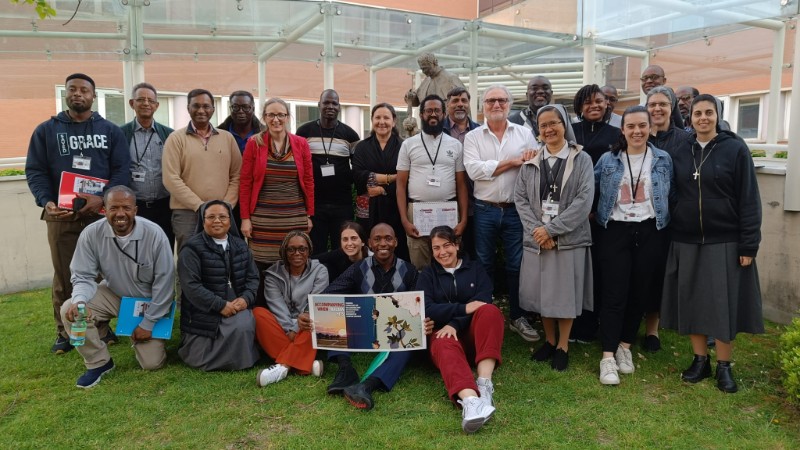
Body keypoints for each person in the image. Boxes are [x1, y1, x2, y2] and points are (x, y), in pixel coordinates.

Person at [661, 94, 763, 394]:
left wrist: (749, 245)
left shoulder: (735, 149)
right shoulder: (681, 150)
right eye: (697, 113)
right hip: (686, 238)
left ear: (717, 115)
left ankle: (724, 365)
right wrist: (679, 215)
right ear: (689, 118)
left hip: (725, 239)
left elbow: (749, 199)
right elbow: (672, 192)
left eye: (709, 112)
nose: (703, 118)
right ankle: (700, 360)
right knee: (691, 300)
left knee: (722, 304)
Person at [26, 72, 130, 354]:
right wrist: (46, 201)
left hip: (101, 215)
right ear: (66, 94)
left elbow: (122, 170)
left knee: (103, 273)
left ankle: (100, 328)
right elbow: (35, 170)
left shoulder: (110, 131)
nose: (78, 94)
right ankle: (65, 332)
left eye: (84, 90)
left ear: (93, 96)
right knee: (65, 274)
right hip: (61, 216)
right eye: (73, 89)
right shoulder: (46, 131)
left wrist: (102, 199)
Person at [60, 186, 174, 387]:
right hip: (114, 294)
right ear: (104, 210)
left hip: (147, 302)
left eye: (126, 208)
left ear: (135, 210)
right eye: (114, 208)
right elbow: (82, 275)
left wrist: (148, 323)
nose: (120, 214)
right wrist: (80, 300)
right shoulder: (91, 234)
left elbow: (165, 284)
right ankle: (98, 362)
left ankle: (138, 332)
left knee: (152, 363)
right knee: (71, 308)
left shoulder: (154, 234)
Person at [593, 106, 673, 385]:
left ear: (651, 128)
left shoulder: (663, 159)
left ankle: (624, 346)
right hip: (615, 231)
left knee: (640, 292)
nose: (637, 131)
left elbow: (671, 193)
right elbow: (592, 190)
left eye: (642, 126)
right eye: (631, 126)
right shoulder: (608, 159)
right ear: (623, 130)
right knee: (614, 293)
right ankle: (607, 356)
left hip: (651, 230)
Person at [515, 104, 594, 371]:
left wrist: (552, 230)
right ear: (538, 130)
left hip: (568, 239)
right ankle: (549, 340)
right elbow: (520, 199)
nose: (548, 129)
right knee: (543, 294)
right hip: (538, 239)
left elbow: (584, 201)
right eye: (543, 125)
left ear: (564, 125)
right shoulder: (530, 162)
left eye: (553, 123)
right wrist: (538, 231)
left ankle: (563, 345)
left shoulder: (582, 159)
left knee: (564, 294)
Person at [323, 223, 431, 411]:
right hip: (363, 331)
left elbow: (421, 306)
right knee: (332, 312)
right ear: (370, 244)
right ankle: (345, 369)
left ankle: (365, 386)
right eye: (377, 239)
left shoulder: (409, 270)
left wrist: (424, 320)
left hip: (393, 335)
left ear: (396, 242)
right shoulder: (358, 268)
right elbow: (329, 293)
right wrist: (309, 311)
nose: (383, 243)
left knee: (410, 340)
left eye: (388, 238)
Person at [463, 84, 539, 342]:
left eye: (502, 100)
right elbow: (474, 171)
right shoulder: (473, 137)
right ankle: (485, 315)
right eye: (491, 100)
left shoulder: (524, 134)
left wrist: (496, 167)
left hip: (516, 210)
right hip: (484, 209)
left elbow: (534, 165)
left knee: (516, 264)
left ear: (510, 104)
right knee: (484, 263)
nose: (497, 105)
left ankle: (518, 316)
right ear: (483, 106)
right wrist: (513, 162)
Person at [418, 225, 503, 434]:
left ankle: (484, 384)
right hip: (444, 338)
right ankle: (471, 401)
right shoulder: (427, 275)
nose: (442, 252)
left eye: (446, 245)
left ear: (457, 245)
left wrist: (455, 323)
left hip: (474, 337)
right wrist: (464, 309)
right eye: (436, 248)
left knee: (490, 311)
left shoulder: (476, 268)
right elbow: (427, 308)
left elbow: (482, 301)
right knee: (443, 339)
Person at [639, 86, 692, 352]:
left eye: (663, 104)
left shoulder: (685, 139)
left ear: (672, 108)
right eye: (652, 104)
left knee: (659, 275)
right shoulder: (637, 135)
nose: (657, 109)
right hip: (637, 216)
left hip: (670, 219)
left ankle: (652, 329)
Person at [177, 200, 260, 371]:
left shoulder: (240, 245)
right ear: (203, 220)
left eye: (222, 216)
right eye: (211, 217)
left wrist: (245, 299)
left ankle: (238, 359)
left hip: (237, 307)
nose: (217, 221)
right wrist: (219, 305)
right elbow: (191, 286)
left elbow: (253, 278)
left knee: (243, 324)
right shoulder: (191, 249)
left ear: (230, 220)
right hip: (204, 311)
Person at [569, 84, 622, 344]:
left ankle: (593, 323)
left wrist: (594, 210)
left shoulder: (616, 134)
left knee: (599, 270)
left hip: (603, 215)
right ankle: (574, 321)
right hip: (573, 212)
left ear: (607, 104)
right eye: (588, 102)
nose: (594, 106)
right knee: (576, 270)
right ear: (580, 106)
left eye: (599, 101)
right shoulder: (571, 132)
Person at [162, 89, 241, 252]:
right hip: (187, 214)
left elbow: (237, 175)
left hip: (221, 213)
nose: (201, 110)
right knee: (189, 258)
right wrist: (199, 206)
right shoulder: (176, 139)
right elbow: (171, 178)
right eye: (196, 106)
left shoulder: (227, 138)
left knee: (220, 259)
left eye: (206, 106)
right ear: (188, 108)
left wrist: (225, 206)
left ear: (213, 109)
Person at [239, 98, 313, 270]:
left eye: (281, 115)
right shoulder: (254, 143)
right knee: (261, 265)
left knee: (294, 261)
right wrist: (245, 219)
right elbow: (245, 183)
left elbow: (309, 181)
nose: (276, 119)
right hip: (263, 219)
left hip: (294, 216)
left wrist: (309, 215)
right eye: (271, 115)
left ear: (287, 117)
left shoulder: (301, 143)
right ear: (264, 117)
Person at [396, 94, 468, 270]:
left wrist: (464, 219)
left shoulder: (455, 145)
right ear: (421, 115)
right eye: (429, 111)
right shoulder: (408, 144)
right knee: (420, 266)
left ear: (444, 114)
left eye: (437, 110)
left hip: (448, 211)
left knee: (448, 262)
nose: (433, 114)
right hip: (417, 211)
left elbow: (461, 185)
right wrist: (404, 220)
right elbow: (400, 185)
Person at [253, 231, 328, 386]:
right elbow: (277, 306)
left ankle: (283, 367)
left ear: (309, 251)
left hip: (305, 324)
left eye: (302, 249)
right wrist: (290, 330)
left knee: (313, 318)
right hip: (283, 325)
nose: (297, 253)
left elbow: (315, 303)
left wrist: (298, 327)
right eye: (291, 249)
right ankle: (305, 363)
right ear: (284, 252)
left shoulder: (320, 270)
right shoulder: (272, 274)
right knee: (258, 314)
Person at [296, 89, 360, 253]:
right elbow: (298, 167)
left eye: (334, 103)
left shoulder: (350, 135)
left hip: (342, 203)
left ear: (339, 107)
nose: (330, 106)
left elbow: (357, 167)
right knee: (316, 250)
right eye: (326, 102)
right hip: (314, 204)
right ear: (319, 105)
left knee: (343, 250)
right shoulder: (304, 132)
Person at [121, 82, 175, 250]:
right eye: (141, 99)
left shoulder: (169, 135)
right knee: (135, 251)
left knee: (164, 250)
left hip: (164, 205)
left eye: (150, 101)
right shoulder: (121, 134)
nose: (146, 103)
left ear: (156, 106)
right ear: (132, 103)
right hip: (135, 206)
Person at [351, 103, 407, 260]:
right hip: (369, 207)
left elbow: (409, 177)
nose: (382, 122)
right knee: (369, 250)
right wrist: (392, 177)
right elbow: (358, 175)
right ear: (372, 120)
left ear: (394, 121)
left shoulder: (404, 146)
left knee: (397, 248)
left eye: (386, 118)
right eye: (377, 118)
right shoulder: (362, 147)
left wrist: (383, 189)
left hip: (396, 207)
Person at [443, 86, 481, 260]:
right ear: (447, 104)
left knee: (471, 250)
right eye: (455, 101)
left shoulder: (480, 132)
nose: (460, 104)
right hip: (445, 199)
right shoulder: (437, 131)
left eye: (464, 100)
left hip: (475, 201)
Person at [509, 75, 553, 141]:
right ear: (527, 95)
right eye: (534, 88)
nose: (540, 91)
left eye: (545, 88)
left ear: (551, 93)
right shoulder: (512, 121)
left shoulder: (562, 119)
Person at [639, 64, 684, 129]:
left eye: (654, 77)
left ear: (664, 80)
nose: (648, 81)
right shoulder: (640, 107)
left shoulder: (669, 94)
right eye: (644, 78)